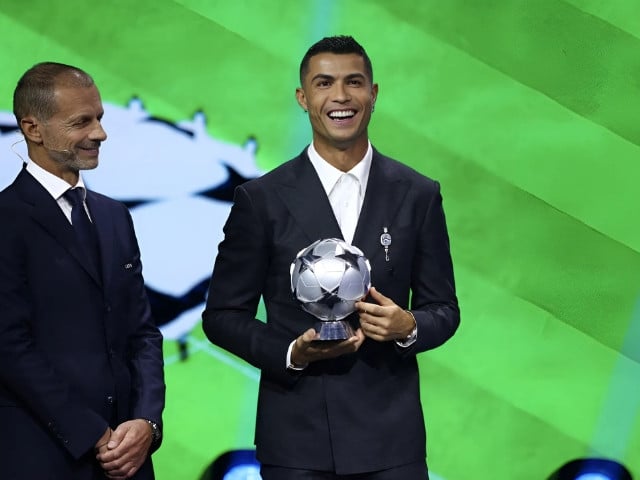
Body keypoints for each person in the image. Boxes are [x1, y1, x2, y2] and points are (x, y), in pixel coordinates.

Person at [202, 35, 459, 479]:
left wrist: (409, 326)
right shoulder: (260, 200)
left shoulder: (418, 195)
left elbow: (445, 309)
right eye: (324, 84)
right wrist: (291, 352)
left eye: (353, 82)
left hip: (391, 442)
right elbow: (223, 316)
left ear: (373, 94)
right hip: (297, 443)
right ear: (303, 98)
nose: (340, 97)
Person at [0, 62, 165, 479]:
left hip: (128, 459)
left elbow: (142, 333)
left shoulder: (114, 216)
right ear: (33, 129)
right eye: (82, 122)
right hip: (45, 457)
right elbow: (9, 346)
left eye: (100, 118)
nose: (100, 133)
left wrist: (147, 423)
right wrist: (94, 434)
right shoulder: (6, 219)